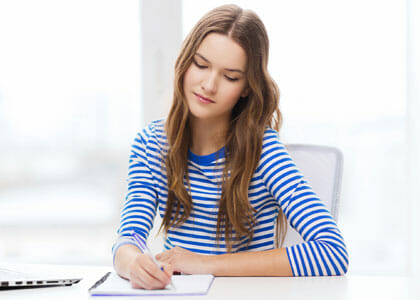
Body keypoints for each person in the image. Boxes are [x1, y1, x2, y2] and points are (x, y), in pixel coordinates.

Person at [112, 4, 349, 290]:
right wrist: (134, 264)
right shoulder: (151, 144)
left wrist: (204, 263)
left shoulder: (264, 151)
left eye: (230, 76)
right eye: (201, 65)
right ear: (185, 62)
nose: (208, 85)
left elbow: (333, 252)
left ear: (247, 87)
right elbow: (129, 239)